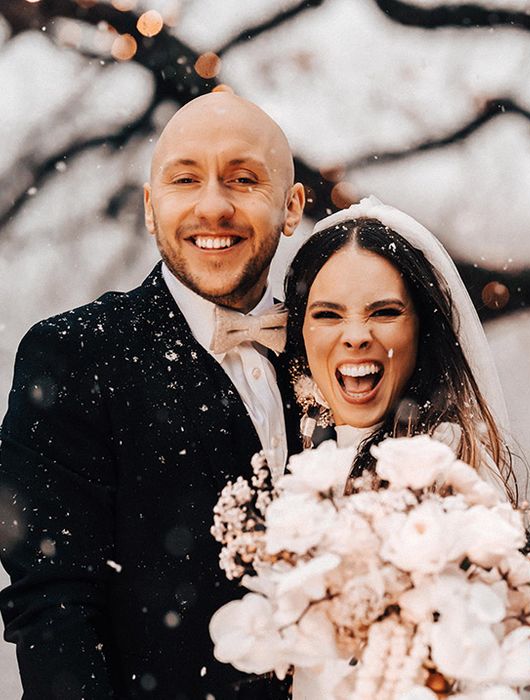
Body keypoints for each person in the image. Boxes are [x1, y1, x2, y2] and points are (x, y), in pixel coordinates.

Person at [0, 93, 305, 698]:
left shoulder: (336, 355)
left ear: (291, 207)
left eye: (243, 179)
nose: (212, 206)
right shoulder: (73, 356)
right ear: (149, 206)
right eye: (185, 179)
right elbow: (53, 606)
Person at [282, 197, 530, 699]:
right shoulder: (276, 448)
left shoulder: (449, 466)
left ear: (421, 329)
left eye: (384, 312)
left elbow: (523, 641)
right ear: (300, 329)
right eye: (327, 314)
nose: (356, 336)